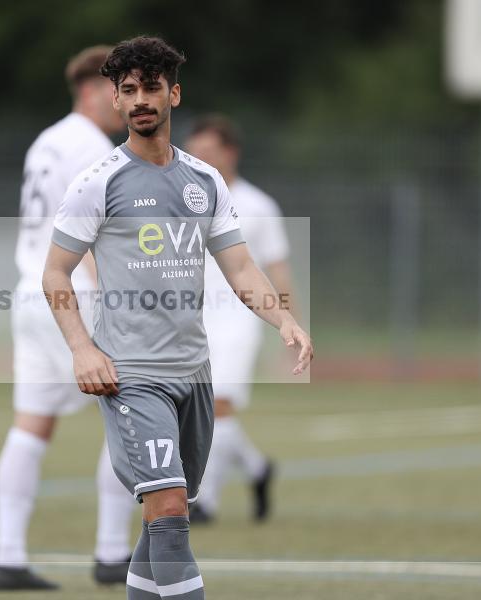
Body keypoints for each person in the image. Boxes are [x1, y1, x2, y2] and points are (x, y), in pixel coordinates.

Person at [43, 36, 313, 599]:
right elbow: (56, 274)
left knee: (167, 513)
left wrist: (284, 320)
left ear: (174, 94)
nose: (141, 99)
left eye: (152, 87)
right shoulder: (97, 182)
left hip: (194, 373)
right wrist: (83, 349)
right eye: (129, 90)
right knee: (167, 506)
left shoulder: (205, 181)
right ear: (116, 100)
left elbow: (241, 267)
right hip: (131, 374)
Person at [0, 45, 135, 591]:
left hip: (32, 290)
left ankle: (8, 558)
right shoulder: (91, 148)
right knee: (128, 414)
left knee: (31, 426)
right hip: (75, 295)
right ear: (95, 90)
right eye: (119, 90)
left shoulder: (46, 140)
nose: (126, 102)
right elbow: (90, 233)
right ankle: (111, 552)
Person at [184, 115, 294, 524]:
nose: (201, 159)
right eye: (195, 152)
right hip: (191, 319)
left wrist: (289, 325)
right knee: (196, 410)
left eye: (209, 151)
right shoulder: (181, 198)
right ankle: (257, 468)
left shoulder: (258, 206)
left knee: (219, 405)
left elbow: (278, 270)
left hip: (238, 321)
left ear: (231, 153)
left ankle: (204, 501)